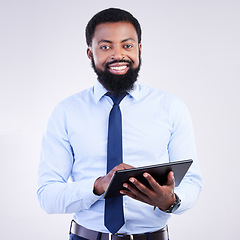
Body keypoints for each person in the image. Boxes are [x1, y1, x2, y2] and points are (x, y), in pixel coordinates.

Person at [37, 8, 202, 240]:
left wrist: (171, 201)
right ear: (89, 53)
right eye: (106, 47)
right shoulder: (66, 111)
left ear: (139, 49)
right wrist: (98, 186)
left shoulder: (171, 107)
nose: (118, 55)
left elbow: (192, 180)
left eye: (127, 45)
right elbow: (47, 195)